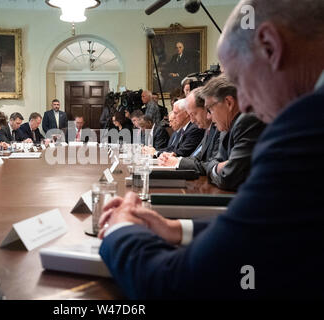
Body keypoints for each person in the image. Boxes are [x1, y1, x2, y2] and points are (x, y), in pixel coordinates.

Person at [98, 0, 324, 299]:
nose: (243, 104)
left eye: (241, 81)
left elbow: (178, 285)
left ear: (270, 46)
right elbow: (271, 230)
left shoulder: (308, 124)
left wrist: (120, 229)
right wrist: (176, 228)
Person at [200, 75, 265, 191]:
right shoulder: (227, 127)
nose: (209, 116)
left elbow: (228, 177)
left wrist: (220, 167)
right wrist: (219, 167)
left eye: (210, 109)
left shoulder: (248, 121)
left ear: (229, 102)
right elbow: (213, 162)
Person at [158, 88, 220, 176]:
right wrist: (175, 160)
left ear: (206, 109)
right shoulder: (208, 129)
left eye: (194, 114)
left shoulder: (218, 129)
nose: (192, 120)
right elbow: (196, 157)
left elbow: (212, 164)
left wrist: (178, 162)